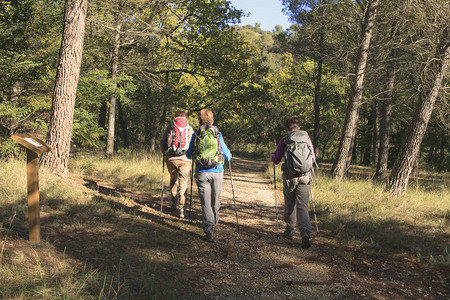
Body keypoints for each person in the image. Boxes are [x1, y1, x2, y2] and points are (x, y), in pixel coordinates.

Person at [186, 109, 232, 242]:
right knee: (215, 199)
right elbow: (227, 155)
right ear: (212, 120)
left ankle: (209, 228)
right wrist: (228, 156)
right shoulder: (218, 134)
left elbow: (188, 155)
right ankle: (214, 222)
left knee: (205, 202)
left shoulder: (196, 135)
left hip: (201, 172)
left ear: (200, 121)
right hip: (217, 171)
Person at [271, 117, 315, 249]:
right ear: (299, 127)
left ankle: (289, 229)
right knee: (303, 205)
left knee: (290, 203)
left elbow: (276, 159)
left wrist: (273, 156)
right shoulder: (306, 138)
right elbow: (313, 157)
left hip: (290, 177)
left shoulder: (284, 140)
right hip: (305, 177)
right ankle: (305, 233)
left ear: (287, 129)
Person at [160, 111, 194, 218]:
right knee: (183, 183)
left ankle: (173, 203)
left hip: (171, 159)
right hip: (186, 159)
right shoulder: (189, 128)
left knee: (173, 179)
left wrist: (164, 153)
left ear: (175, 117)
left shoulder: (170, 127)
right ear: (186, 118)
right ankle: (182, 208)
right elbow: (193, 144)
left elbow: (162, 143)